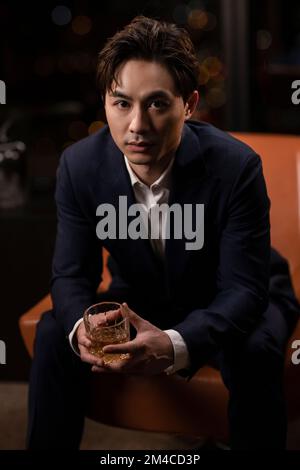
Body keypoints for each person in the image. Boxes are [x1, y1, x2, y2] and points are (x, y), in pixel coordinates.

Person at [27, 15, 299, 450]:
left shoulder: (236, 168)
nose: (137, 125)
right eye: (121, 103)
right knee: (52, 330)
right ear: (105, 103)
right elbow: (71, 275)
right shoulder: (79, 166)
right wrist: (82, 325)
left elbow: (244, 291)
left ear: (188, 105)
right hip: (143, 298)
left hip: (236, 297)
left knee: (255, 350)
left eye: (156, 103)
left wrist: (174, 344)